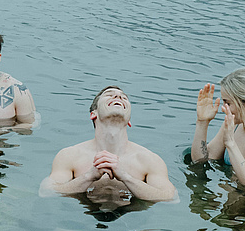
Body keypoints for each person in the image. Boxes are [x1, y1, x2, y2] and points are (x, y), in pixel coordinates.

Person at [46, 85, 176, 202]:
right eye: (109, 95)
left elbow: (171, 198)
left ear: (129, 120)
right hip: (80, 217)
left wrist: (125, 177)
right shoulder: (70, 155)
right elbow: (46, 191)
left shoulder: (149, 160)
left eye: (124, 97)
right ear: (93, 114)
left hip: (132, 219)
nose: (118, 96)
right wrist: (89, 176)